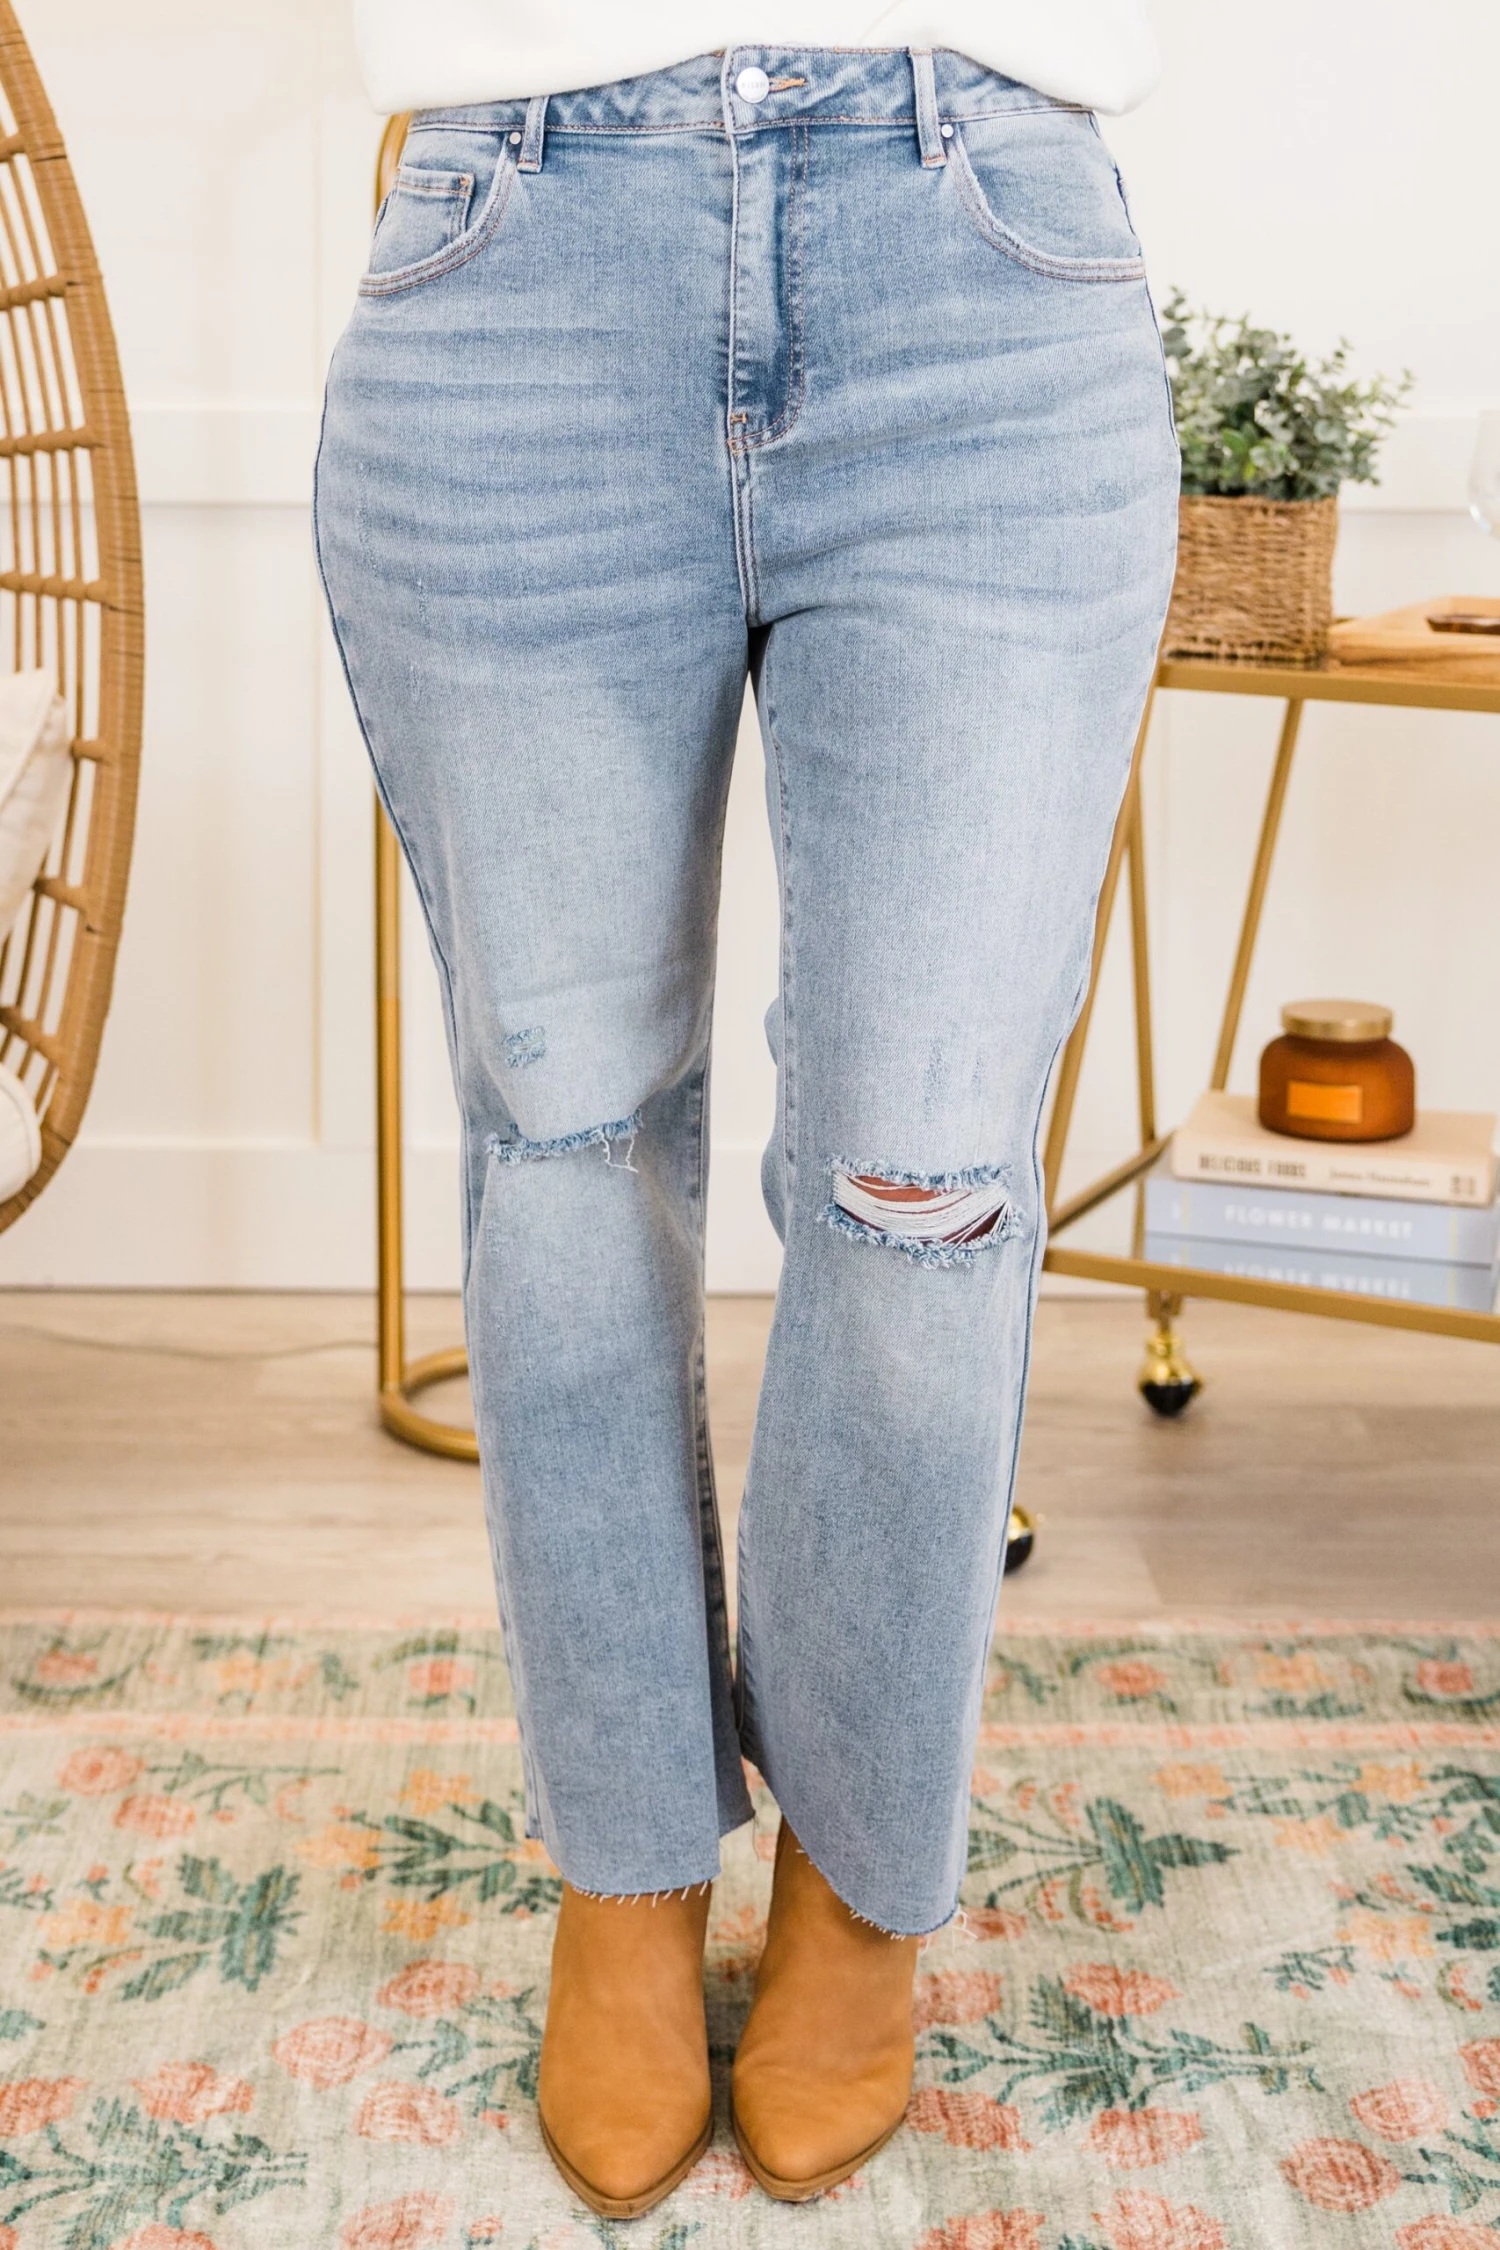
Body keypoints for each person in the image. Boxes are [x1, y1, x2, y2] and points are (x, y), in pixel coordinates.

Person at [316, 2, 1176, 2217]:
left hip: (981, 254)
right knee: (568, 1148)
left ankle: (860, 1877)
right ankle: (621, 1869)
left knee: (927, 1179)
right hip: (515, 248)